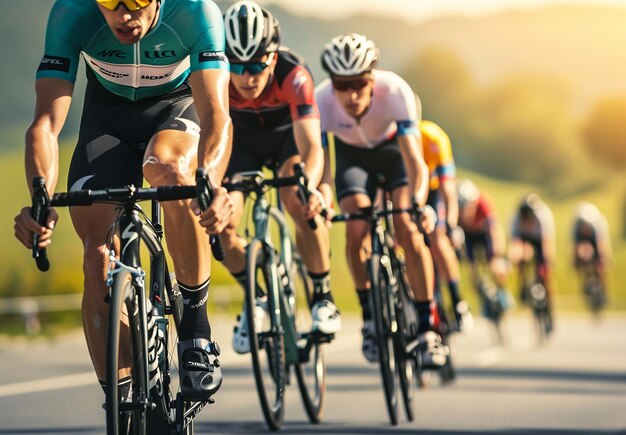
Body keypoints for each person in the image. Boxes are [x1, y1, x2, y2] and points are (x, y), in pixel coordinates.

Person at [13, 0, 233, 403]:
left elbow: (216, 114)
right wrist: (39, 196)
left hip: (175, 108)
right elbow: (45, 122)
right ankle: (123, 399)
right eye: (111, 2)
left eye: (136, 2)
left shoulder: (195, 11)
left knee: (169, 172)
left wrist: (211, 183)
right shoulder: (72, 12)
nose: (123, 14)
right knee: (97, 258)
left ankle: (195, 334)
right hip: (106, 119)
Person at [316, 33, 445, 368]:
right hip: (352, 159)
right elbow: (323, 166)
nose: (351, 93)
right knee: (356, 230)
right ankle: (371, 318)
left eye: (359, 83)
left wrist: (417, 204)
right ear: (332, 84)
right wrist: (324, 196)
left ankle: (428, 326)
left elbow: (415, 161)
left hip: (393, 154)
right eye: (342, 85)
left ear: (371, 78)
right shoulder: (321, 101)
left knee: (406, 226)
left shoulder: (395, 91)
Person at [220, 1, 341, 354]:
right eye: (237, 65)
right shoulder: (214, 75)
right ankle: (257, 299)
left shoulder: (295, 75)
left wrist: (314, 187)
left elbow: (313, 149)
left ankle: (323, 297)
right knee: (223, 225)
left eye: (257, 64)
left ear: (273, 58)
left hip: (288, 141)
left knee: (298, 201)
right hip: (241, 146)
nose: (247, 76)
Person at [420, 120, 473, 332]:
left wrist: (450, 224)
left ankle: (457, 300)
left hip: (433, 192)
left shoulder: (433, 137)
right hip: (406, 190)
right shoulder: (388, 135)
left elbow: (448, 189)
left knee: (437, 237)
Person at [457, 179, 511, 314]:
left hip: (484, 233)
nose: (466, 211)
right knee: (472, 270)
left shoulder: (483, 203)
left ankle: (502, 291)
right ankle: (483, 300)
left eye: (469, 206)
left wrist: (497, 256)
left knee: (495, 264)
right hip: (468, 236)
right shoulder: (455, 208)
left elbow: (495, 230)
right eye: (463, 207)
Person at [508, 193, 556, 313]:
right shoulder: (515, 218)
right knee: (520, 258)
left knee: (545, 269)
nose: (527, 220)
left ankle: (550, 302)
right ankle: (523, 286)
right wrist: (514, 260)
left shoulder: (543, 216)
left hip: (540, 238)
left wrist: (546, 263)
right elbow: (514, 243)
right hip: (524, 236)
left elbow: (546, 242)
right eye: (525, 218)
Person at [572, 201, 612, 302]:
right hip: (581, 240)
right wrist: (576, 260)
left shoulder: (598, 226)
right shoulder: (576, 227)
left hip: (597, 239)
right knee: (579, 258)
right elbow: (575, 246)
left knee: (601, 264)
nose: (585, 229)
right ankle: (585, 283)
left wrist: (602, 259)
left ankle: (604, 289)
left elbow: (601, 245)